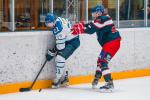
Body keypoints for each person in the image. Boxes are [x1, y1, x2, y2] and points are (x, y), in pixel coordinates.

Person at [71, 5, 121, 92]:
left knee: (102, 61)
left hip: (112, 43)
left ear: (99, 12)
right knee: (100, 60)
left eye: (94, 13)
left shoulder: (103, 19)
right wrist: (82, 25)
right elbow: (92, 25)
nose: (93, 15)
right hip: (110, 43)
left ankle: (109, 83)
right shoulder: (102, 19)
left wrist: (80, 29)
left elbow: (91, 29)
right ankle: (97, 77)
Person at [45, 13, 80, 88]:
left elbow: (60, 47)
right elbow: (60, 42)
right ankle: (65, 78)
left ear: (53, 21)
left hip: (73, 41)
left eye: (49, 23)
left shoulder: (59, 28)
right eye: (47, 24)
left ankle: (57, 80)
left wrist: (52, 52)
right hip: (67, 39)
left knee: (60, 58)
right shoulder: (57, 20)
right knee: (61, 58)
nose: (48, 26)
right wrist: (54, 50)